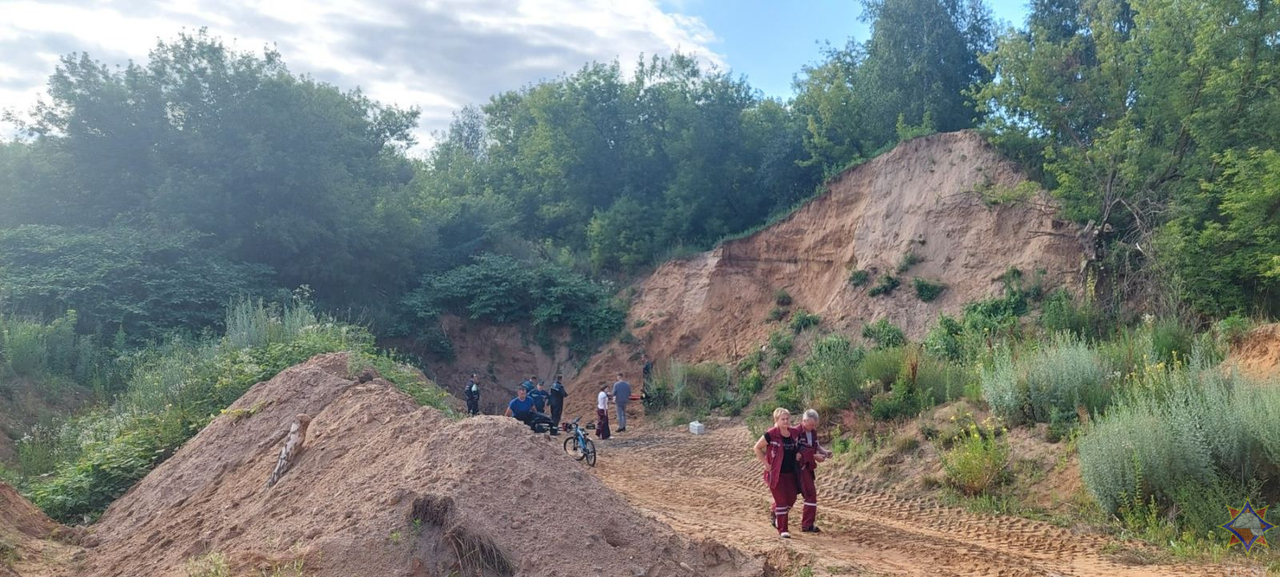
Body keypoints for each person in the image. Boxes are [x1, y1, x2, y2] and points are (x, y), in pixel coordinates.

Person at [753, 407, 802, 538]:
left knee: (791, 498)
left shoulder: (793, 433)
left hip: (790, 473)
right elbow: (757, 448)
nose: (786, 421)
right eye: (783, 419)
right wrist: (766, 464)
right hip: (776, 473)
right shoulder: (771, 434)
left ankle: (775, 513)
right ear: (777, 420)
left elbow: (800, 443)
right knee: (781, 501)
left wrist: (798, 453)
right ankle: (783, 529)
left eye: (787, 419)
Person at [798, 409, 832, 533]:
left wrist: (825, 452)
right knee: (802, 494)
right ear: (804, 421)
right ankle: (806, 524)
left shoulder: (812, 432)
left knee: (809, 494)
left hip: (808, 467)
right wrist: (814, 457)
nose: (812, 427)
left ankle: (807, 524)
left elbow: (816, 446)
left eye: (814, 425)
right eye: (810, 424)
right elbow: (799, 452)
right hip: (799, 468)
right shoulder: (797, 432)